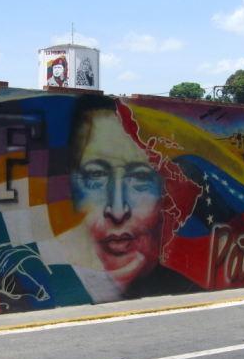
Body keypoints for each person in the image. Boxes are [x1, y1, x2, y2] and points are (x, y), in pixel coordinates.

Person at [68, 96, 202, 298]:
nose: (118, 211)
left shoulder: (192, 291)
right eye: (96, 175)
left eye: (140, 177)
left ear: (164, 199)